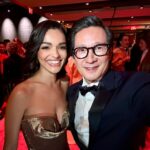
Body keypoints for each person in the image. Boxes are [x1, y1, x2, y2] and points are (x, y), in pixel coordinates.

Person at [67, 16, 150, 150]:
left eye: (99, 48)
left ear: (110, 52)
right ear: (74, 57)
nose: (90, 59)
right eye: (82, 50)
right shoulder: (71, 92)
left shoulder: (135, 85)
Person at [4, 20, 70, 150]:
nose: (56, 54)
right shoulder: (21, 93)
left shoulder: (65, 83)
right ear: (36, 50)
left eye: (61, 46)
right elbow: (10, 146)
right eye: (46, 47)